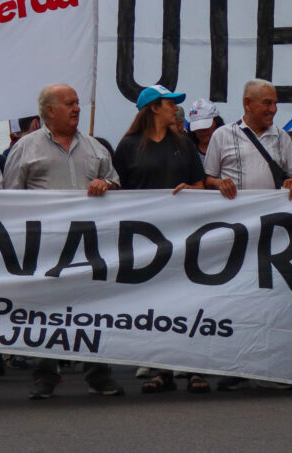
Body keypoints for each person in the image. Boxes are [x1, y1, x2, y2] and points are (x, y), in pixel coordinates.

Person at [4, 83, 124, 399]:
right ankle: (45, 375)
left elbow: (116, 183)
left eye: (77, 103)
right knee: (45, 310)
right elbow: (9, 197)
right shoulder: (25, 148)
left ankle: (98, 375)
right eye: (69, 103)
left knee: (92, 308)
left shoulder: (96, 147)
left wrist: (107, 184)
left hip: (88, 245)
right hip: (43, 246)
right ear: (49, 110)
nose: (77, 108)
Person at [110, 84, 207, 393]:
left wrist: (191, 190)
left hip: (184, 235)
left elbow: (200, 184)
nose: (174, 108)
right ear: (153, 108)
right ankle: (161, 368)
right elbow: (117, 190)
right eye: (169, 103)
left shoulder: (184, 144)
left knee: (189, 301)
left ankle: (195, 368)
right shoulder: (128, 146)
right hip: (144, 240)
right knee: (155, 304)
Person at [204, 79, 292, 199]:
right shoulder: (221, 135)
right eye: (267, 103)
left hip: (273, 209)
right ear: (247, 103)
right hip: (235, 209)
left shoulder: (282, 137)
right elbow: (208, 179)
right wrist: (218, 183)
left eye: (275, 103)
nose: (273, 109)